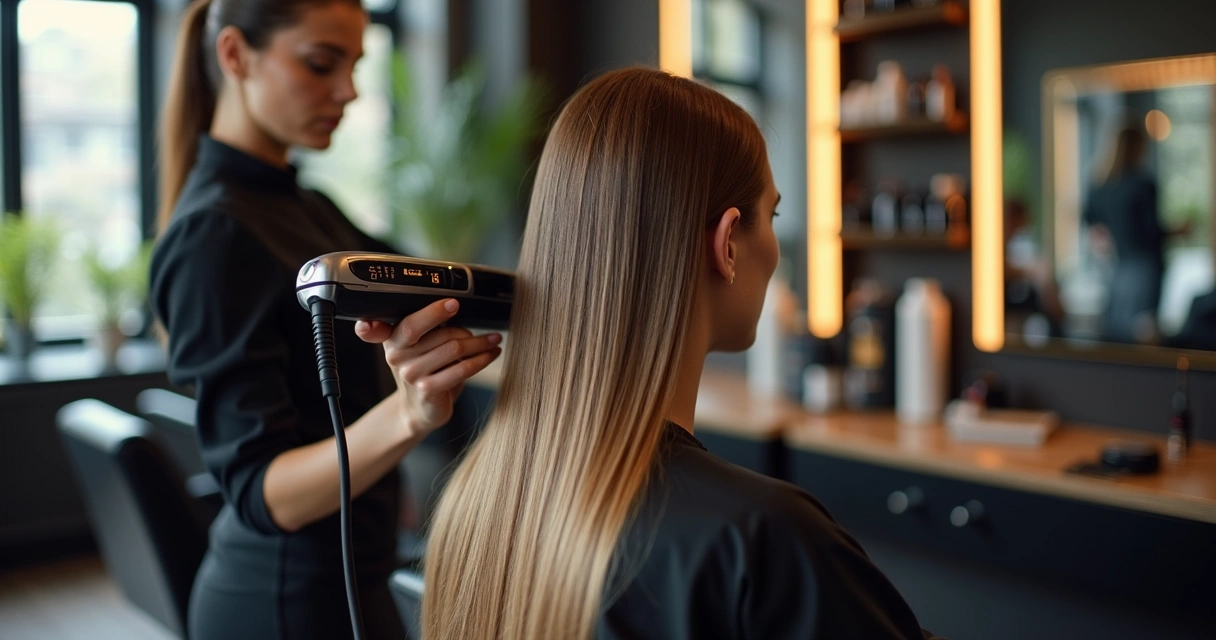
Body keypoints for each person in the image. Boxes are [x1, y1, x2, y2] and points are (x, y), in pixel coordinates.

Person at [421, 67, 941, 639]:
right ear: (728, 244)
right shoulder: (763, 539)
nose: (775, 245)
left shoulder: (473, 508)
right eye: (773, 215)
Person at [150, 1, 501, 638]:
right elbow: (265, 494)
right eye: (320, 64)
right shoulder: (214, 233)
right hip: (284, 605)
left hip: (354, 580)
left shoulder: (310, 208)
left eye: (354, 66)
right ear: (236, 56)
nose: (348, 91)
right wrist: (408, 413)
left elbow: (434, 283)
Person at [1083, 125, 1191, 344]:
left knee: (1119, 331)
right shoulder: (1142, 184)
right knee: (1143, 332)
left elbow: (1088, 218)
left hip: (1120, 266)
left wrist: (1107, 235)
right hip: (1145, 267)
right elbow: (1151, 232)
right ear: (1137, 146)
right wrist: (1179, 231)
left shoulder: (1102, 184)